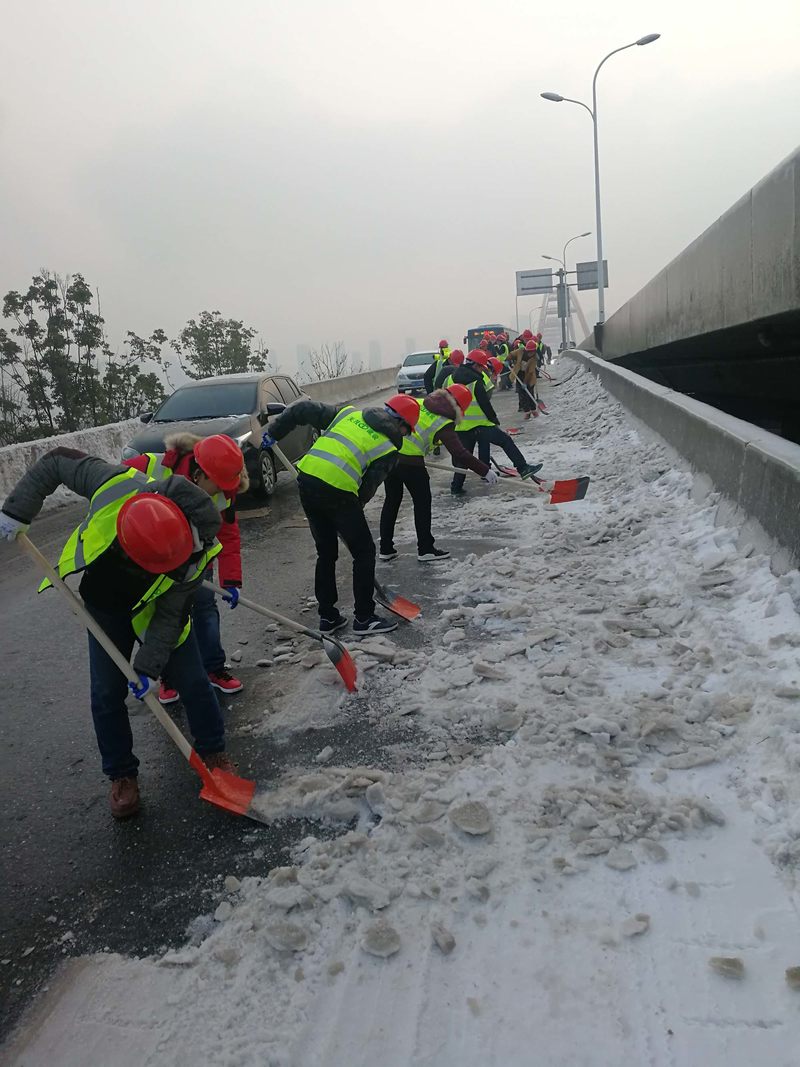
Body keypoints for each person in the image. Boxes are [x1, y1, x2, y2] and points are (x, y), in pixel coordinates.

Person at [0, 448, 234, 818]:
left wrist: (147, 670)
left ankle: (214, 751)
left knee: (192, 681)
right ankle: (122, 775)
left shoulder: (192, 555)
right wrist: (18, 510)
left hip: (157, 611)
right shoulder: (112, 482)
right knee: (106, 693)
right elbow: (57, 460)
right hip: (105, 605)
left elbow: (169, 618)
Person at [262, 394, 419, 634]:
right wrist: (347, 515)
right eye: (407, 432)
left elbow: (302, 408)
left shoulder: (349, 414)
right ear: (402, 425)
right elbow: (366, 488)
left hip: (307, 479)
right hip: (339, 491)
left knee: (326, 553)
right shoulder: (388, 448)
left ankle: (328, 617)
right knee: (364, 552)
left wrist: (276, 431)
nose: (405, 436)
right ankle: (364, 618)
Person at [124, 433, 248, 703]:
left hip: (197, 562)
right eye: (218, 484)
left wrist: (231, 580)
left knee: (205, 611)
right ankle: (169, 677)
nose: (222, 490)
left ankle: (214, 669)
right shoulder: (152, 466)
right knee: (164, 620)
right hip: (155, 561)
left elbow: (228, 536)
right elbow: (109, 486)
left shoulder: (225, 489)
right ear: (200, 472)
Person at [379, 384, 500, 563]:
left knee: (392, 501)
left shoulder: (419, 403)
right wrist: (485, 470)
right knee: (422, 504)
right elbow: (460, 453)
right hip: (412, 465)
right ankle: (425, 549)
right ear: (460, 408)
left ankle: (386, 549)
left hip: (390, 457)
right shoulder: (443, 423)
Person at [442, 350, 541, 495]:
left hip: (460, 426)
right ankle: (523, 468)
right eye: (481, 367)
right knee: (505, 441)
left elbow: (444, 400)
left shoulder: (449, 379)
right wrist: (494, 419)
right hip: (481, 425)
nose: (483, 369)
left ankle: (456, 487)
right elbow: (484, 404)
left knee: (463, 458)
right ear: (475, 365)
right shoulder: (477, 381)